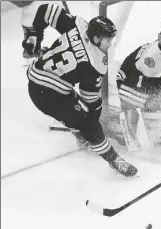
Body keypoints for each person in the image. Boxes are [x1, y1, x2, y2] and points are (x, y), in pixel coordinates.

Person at [25, 3, 138, 177]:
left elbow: (46, 10)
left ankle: (80, 134)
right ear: (97, 38)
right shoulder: (96, 63)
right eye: (108, 40)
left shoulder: (78, 25)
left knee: (74, 105)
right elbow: (90, 99)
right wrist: (97, 123)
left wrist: (35, 35)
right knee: (87, 119)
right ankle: (114, 159)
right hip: (47, 96)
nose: (110, 44)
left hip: (36, 77)